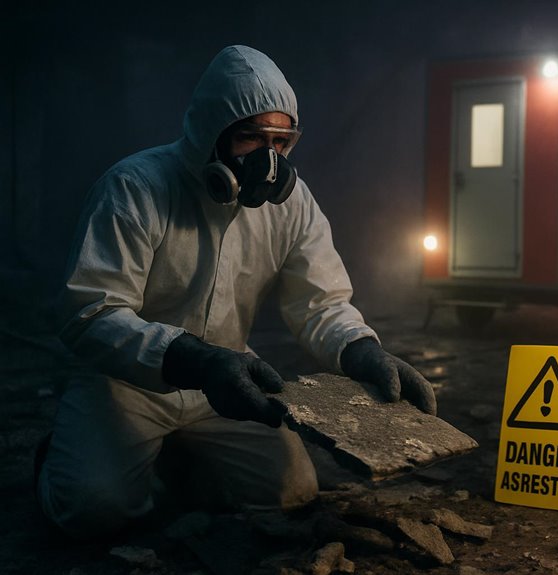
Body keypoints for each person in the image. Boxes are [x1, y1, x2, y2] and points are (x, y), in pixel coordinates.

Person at [35, 45, 436, 539]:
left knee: (290, 495)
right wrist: (196, 360)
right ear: (210, 133)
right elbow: (89, 312)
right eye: (249, 137)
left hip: (229, 382)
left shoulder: (293, 205)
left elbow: (321, 302)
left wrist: (360, 350)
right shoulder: (136, 188)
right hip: (126, 384)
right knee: (95, 510)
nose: (268, 159)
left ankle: (182, 459)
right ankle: (57, 460)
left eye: (281, 140)